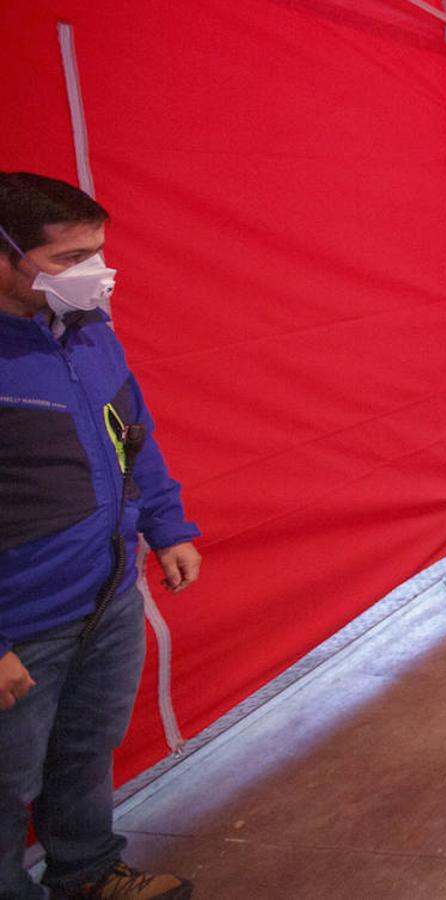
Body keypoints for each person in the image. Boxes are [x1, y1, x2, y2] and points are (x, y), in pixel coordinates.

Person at [0, 172, 201, 900]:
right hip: (22, 625)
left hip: (106, 598)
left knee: (84, 753)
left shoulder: (87, 333)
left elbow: (132, 436)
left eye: (98, 253)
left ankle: (87, 874)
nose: (92, 273)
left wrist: (167, 524)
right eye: (68, 258)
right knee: (4, 786)